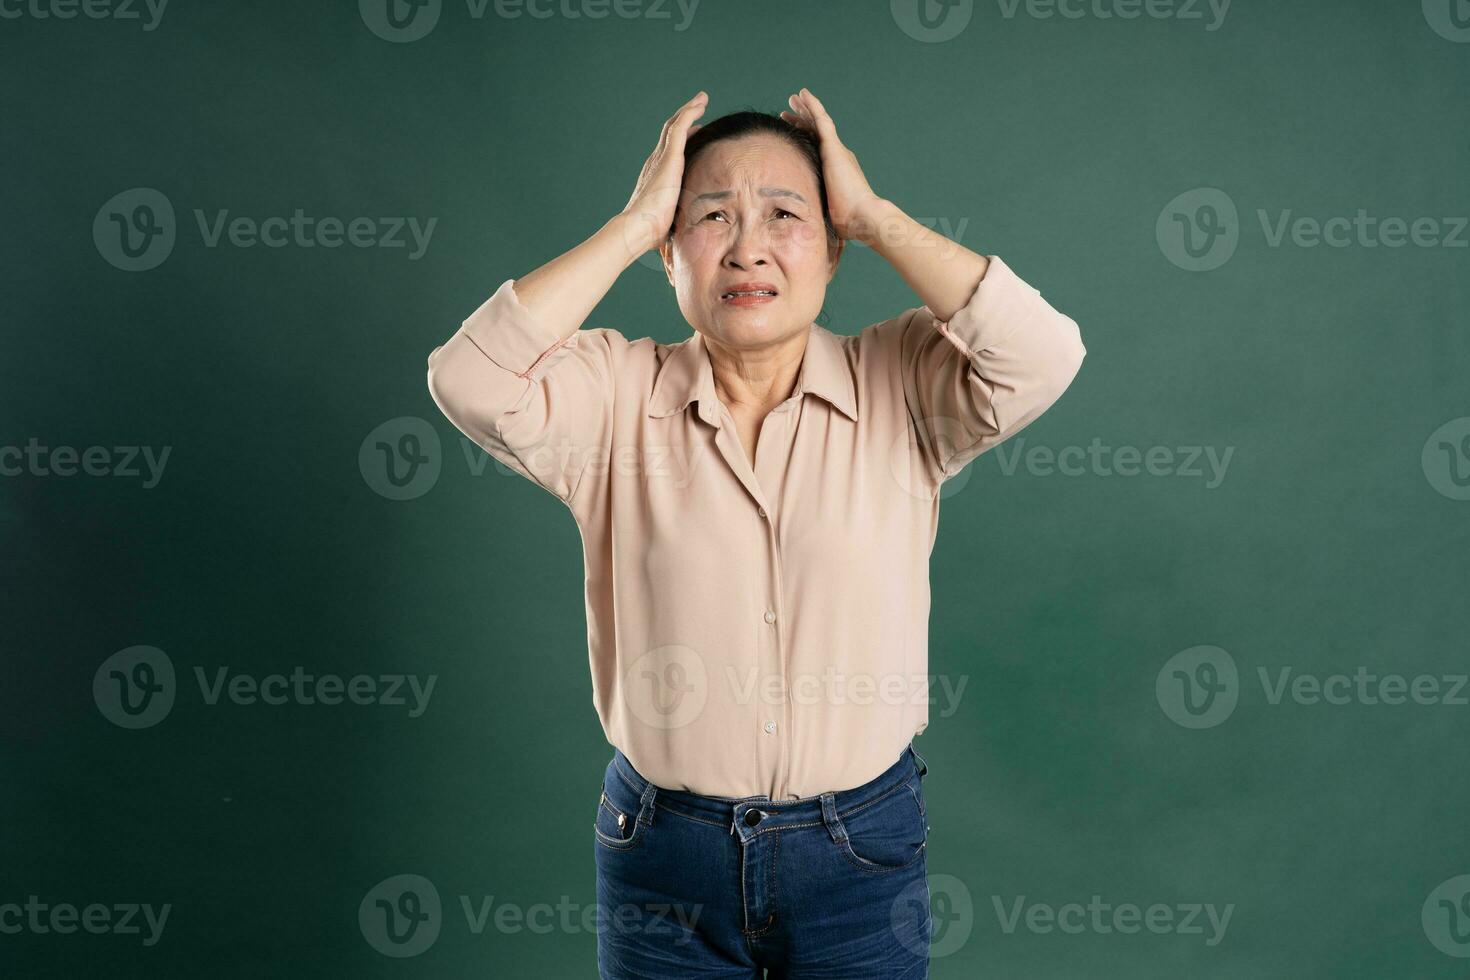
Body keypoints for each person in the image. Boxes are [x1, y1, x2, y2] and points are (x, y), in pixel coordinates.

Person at [426, 88, 1086, 978]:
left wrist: (877, 215)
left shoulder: (901, 379)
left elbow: (1044, 355)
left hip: (861, 851)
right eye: (710, 217)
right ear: (671, 249)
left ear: (832, 248)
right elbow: (469, 378)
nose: (749, 247)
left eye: (785, 215)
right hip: (663, 850)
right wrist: (628, 225)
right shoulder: (613, 396)